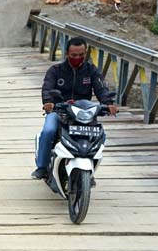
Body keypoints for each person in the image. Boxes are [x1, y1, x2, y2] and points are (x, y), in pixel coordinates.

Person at [32, 37, 119, 180]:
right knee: (48, 131)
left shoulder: (91, 71)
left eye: (81, 55)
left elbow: (102, 88)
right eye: (73, 55)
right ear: (66, 53)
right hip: (60, 111)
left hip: (84, 112)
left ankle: (89, 170)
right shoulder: (55, 71)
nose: (77, 58)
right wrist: (49, 102)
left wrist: (108, 103)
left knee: (101, 135)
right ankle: (41, 167)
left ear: (86, 54)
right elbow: (47, 88)